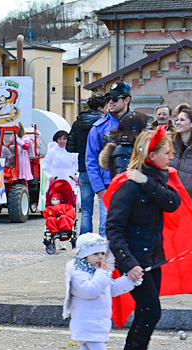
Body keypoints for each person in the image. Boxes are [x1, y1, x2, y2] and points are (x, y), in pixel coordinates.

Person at [105, 127, 181, 350]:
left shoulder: (155, 179)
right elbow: (113, 228)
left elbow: (173, 203)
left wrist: (146, 182)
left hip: (151, 260)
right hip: (136, 262)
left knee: (147, 314)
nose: (171, 156)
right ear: (152, 154)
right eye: (166, 152)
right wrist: (128, 264)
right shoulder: (127, 187)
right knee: (150, 313)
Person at [62, 233, 137, 350]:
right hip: (86, 324)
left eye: (102, 254)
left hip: (95, 324)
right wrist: (103, 274)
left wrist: (130, 280)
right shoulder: (78, 274)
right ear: (84, 254)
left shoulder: (97, 272)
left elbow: (111, 289)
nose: (101, 257)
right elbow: (90, 290)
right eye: (96, 254)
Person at [86, 82, 132, 236]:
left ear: (127, 100)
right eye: (108, 99)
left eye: (115, 99)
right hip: (108, 187)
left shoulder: (138, 125)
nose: (110, 102)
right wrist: (99, 190)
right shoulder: (98, 128)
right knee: (108, 233)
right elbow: (91, 161)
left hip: (134, 186)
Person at [69, 94, 107, 235]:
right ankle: (103, 241)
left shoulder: (77, 123)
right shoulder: (104, 122)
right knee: (104, 208)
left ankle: (85, 243)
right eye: (105, 107)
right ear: (100, 107)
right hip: (101, 170)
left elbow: (69, 147)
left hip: (84, 169)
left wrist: (82, 147)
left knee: (86, 210)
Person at [97, 111, 149, 179]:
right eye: (145, 128)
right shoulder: (124, 150)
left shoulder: (131, 147)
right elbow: (123, 179)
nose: (147, 131)